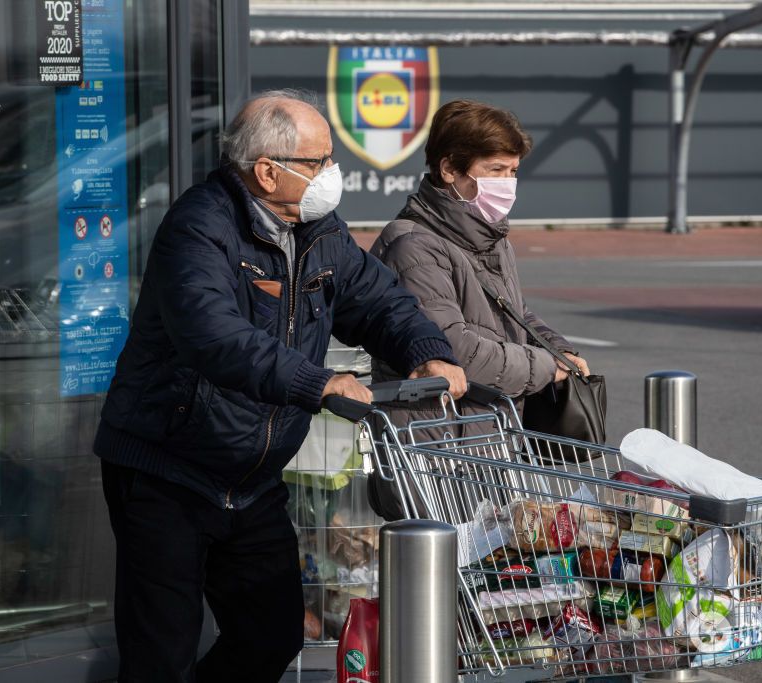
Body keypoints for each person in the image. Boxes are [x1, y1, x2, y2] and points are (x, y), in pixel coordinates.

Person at [93, 90, 466, 683]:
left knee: (270, 632)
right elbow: (214, 337)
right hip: (169, 470)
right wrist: (318, 383)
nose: (332, 174)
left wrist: (427, 352)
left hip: (251, 478)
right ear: (268, 171)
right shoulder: (199, 227)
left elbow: (376, 300)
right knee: (160, 651)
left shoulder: (318, 229)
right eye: (319, 162)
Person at [368, 99, 590, 427]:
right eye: (495, 170)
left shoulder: (493, 238)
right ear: (449, 170)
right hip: (436, 439)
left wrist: (558, 349)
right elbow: (453, 349)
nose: (507, 183)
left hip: (489, 430)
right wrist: (545, 366)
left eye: (513, 171)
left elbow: (516, 314)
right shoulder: (413, 246)